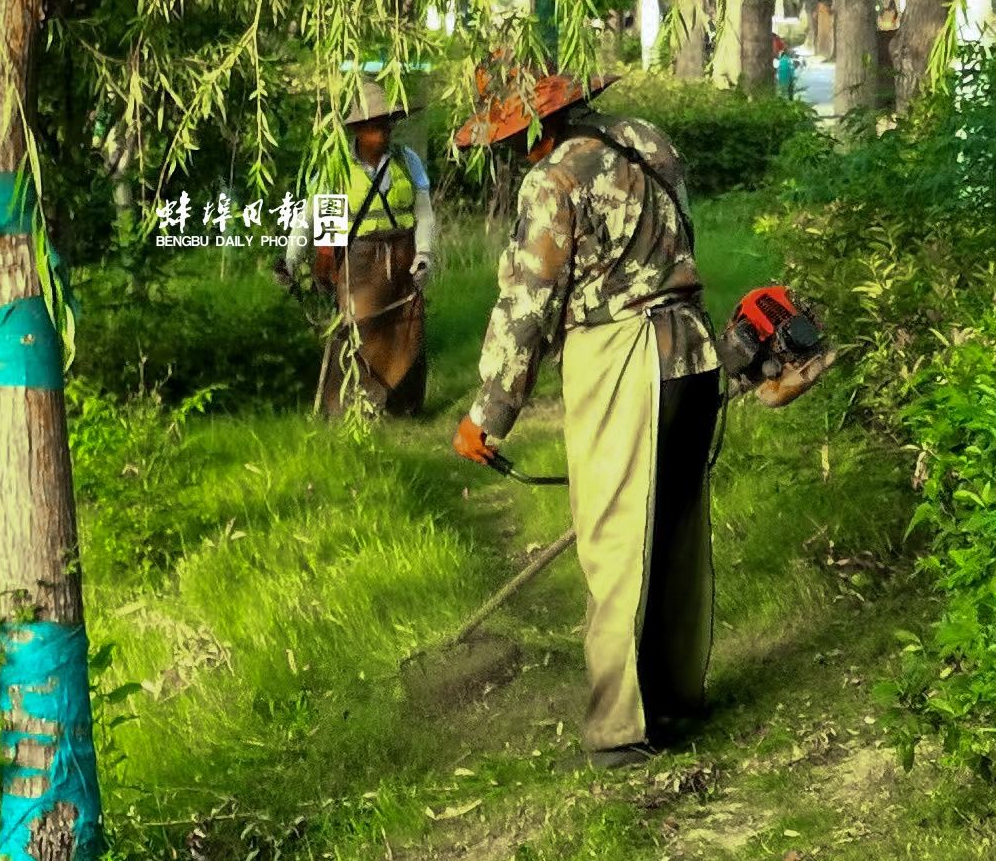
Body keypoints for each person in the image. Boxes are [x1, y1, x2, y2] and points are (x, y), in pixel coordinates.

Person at [451, 69, 720, 768]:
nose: (507, 150)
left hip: (623, 358)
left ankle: (619, 729)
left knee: (616, 542)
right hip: (693, 353)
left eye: (508, 136)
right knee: (671, 532)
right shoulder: (646, 140)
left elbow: (529, 301)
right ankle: (671, 697)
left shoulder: (553, 179)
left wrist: (489, 412)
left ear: (533, 125)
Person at [286, 78, 436, 416]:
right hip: (359, 262)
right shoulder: (338, 166)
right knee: (357, 329)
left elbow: (424, 213)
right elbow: (315, 218)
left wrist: (424, 254)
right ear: (357, 129)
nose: (383, 133)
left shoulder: (407, 161)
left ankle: (404, 407)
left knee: (406, 327)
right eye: (374, 126)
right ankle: (350, 408)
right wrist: (294, 258)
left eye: (386, 124)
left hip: (402, 258)